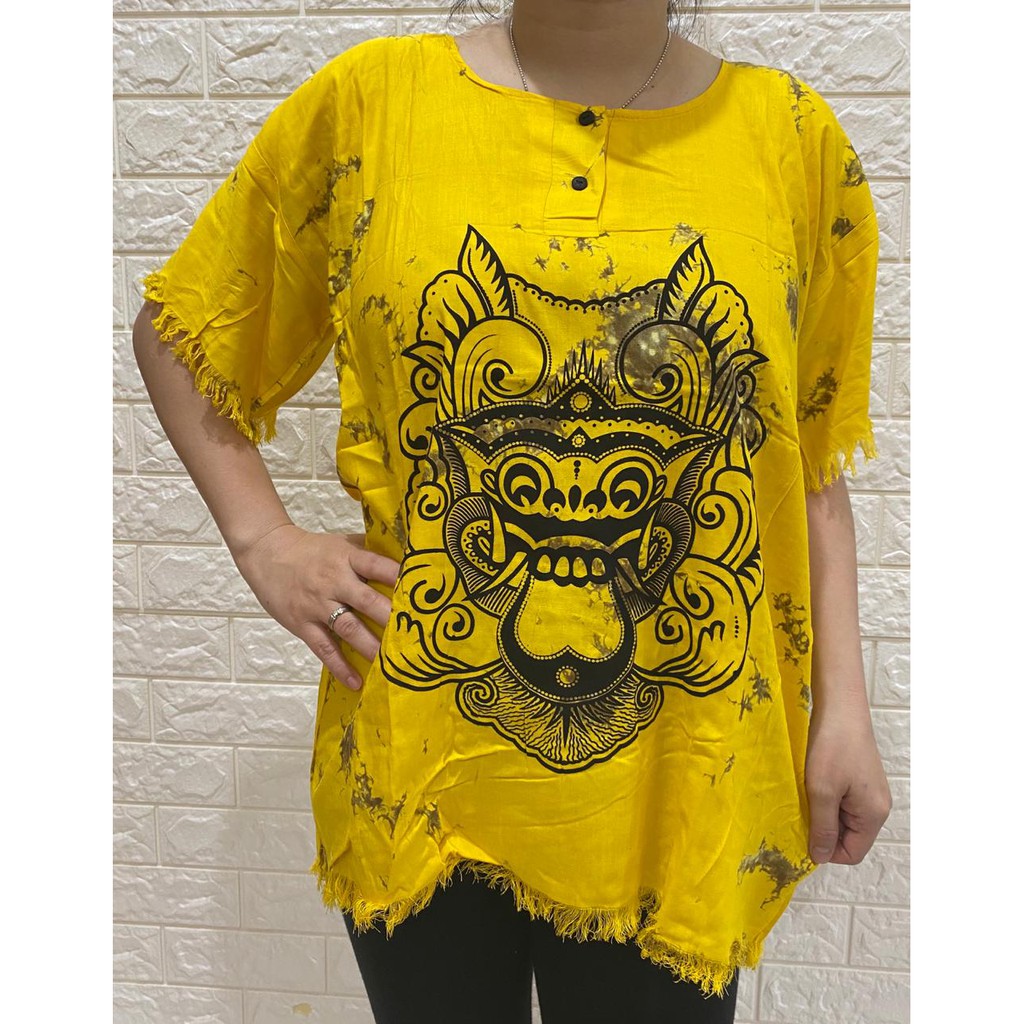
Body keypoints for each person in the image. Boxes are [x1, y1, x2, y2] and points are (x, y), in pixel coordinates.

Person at [132, 1, 893, 1021]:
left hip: (689, 769)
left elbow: (808, 460)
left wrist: (844, 711)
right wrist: (263, 539)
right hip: (424, 756)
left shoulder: (790, 136)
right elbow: (185, 330)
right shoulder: (371, 105)